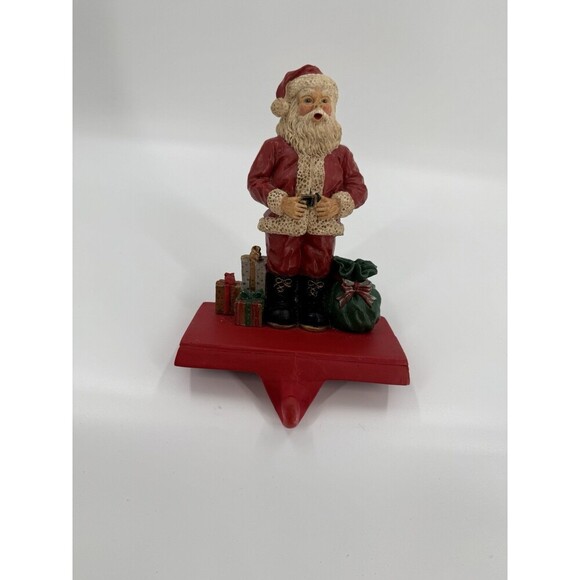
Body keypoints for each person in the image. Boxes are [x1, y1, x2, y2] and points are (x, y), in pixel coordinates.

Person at [248, 65, 368, 331]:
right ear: (291, 107)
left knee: (319, 262)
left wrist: (338, 204)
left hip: (322, 225)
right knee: (283, 259)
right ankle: (280, 302)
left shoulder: (341, 154)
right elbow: (256, 180)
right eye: (308, 100)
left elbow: (358, 187)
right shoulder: (274, 147)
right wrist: (281, 202)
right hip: (284, 223)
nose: (318, 108)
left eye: (325, 101)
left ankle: (313, 305)